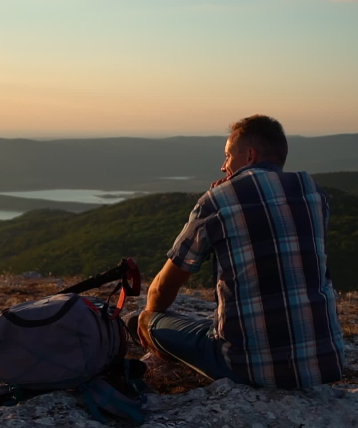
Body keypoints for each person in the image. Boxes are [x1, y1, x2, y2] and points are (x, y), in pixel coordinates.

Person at [135, 114, 345, 389]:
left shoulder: (217, 201)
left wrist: (149, 321)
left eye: (227, 156)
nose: (223, 167)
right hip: (325, 364)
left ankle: (155, 350)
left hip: (247, 369)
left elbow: (162, 289)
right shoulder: (313, 193)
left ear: (249, 156)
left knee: (145, 320)